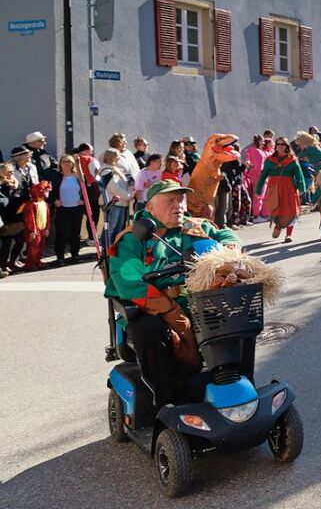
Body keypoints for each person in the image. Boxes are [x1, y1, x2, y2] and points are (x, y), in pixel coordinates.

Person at [104, 179, 240, 407]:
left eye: (181, 199)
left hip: (198, 300)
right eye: (170, 200)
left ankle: (233, 386)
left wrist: (230, 254)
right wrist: (171, 310)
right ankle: (169, 401)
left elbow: (228, 236)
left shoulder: (197, 228)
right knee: (148, 330)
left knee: (238, 315)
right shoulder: (132, 239)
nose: (178, 205)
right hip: (154, 308)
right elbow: (130, 284)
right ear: (151, 208)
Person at [255, 138, 306, 243]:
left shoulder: (293, 160)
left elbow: (299, 176)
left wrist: (301, 188)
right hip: (273, 188)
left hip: (289, 189)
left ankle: (288, 234)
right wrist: (258, 190)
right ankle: (278, 225)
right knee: (275, 209)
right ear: (276, 146)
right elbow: (263, 175)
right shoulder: (269, 160)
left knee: (291, 211)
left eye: (283, 144)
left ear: (287, 146)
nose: (280, 146)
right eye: (278, 144)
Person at [53, 154, 86, 265]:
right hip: (62, 209)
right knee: (62, 233)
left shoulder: (78, 176)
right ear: (60, 164)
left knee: (75, 233)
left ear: (72, 163)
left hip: (76, 208)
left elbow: (86, 189)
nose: (66, 164)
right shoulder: (57, 177)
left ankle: (75, 255)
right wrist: (55, 200)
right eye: (64, 161)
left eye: (69, 161)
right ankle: (60, 257)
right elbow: (52, 193)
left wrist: (83, 200)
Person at [97, 148, 132, 242]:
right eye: (117, 156)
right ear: (112, 157)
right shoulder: (106, 171)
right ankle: (106, 250)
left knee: (118, 229)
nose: (119, 159)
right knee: (110, 228)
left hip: (121, 203)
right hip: (112, 203)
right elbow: (113, 187)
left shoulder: (115, 169)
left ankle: (114, 250)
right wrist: (128, 195)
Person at [0, 162, 27, 277]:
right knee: (6, 242)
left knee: (20, 239)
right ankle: (3, 265)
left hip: (15, 216)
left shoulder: (16, 182)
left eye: (12, 171)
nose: (11, 173)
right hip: (5, 217)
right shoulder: (1, 185)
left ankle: (11, 262)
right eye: (9, 171)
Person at [242, 135, 270, 219]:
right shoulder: (258, 152)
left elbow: (251, 163)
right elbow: (259, 166)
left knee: (258, 195)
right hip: (260, 175)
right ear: (259, 141)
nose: (264, 143)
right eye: (262, 141)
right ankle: (256, 215)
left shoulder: (251, 151)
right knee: (259, 195)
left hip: (255, 175)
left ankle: (257, 214)